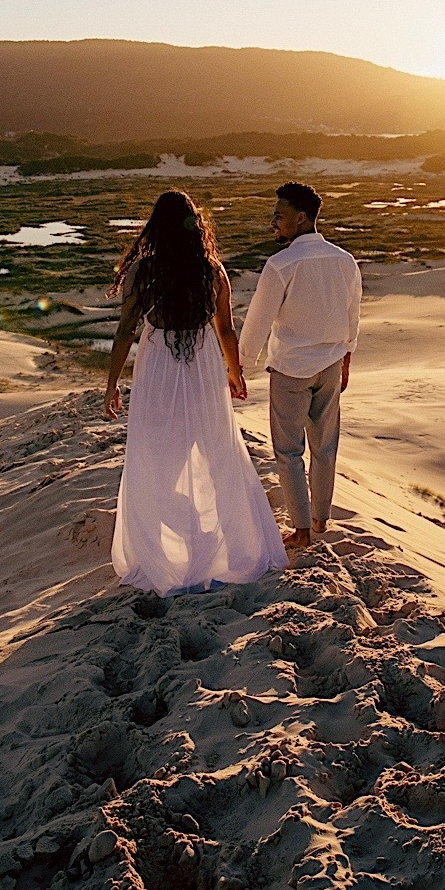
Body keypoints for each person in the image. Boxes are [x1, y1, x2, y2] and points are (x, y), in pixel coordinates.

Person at [104, 190, 286, 595]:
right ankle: (213, 539)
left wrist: (112, 384)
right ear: (194, 225)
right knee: (215, 450)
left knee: (156, 455)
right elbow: (225, 329)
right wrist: (235, 372)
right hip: (202, 365)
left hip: (159, 367)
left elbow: (125, 332)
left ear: (156, 227)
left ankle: (184, 541)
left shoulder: (143, 271)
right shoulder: (211, 270)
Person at [239, 182, 362, 551]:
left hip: (291, 368)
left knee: (289, 450)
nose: (273, 222)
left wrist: (240, 366)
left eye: (279, 216)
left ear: (302, 218)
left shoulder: (281, 265)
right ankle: (320, 518)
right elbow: (352, 313)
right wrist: (346, 358)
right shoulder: (344, 260)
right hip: (329, 364)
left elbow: (258, 323)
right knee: (325, 447)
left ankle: (302, 530)